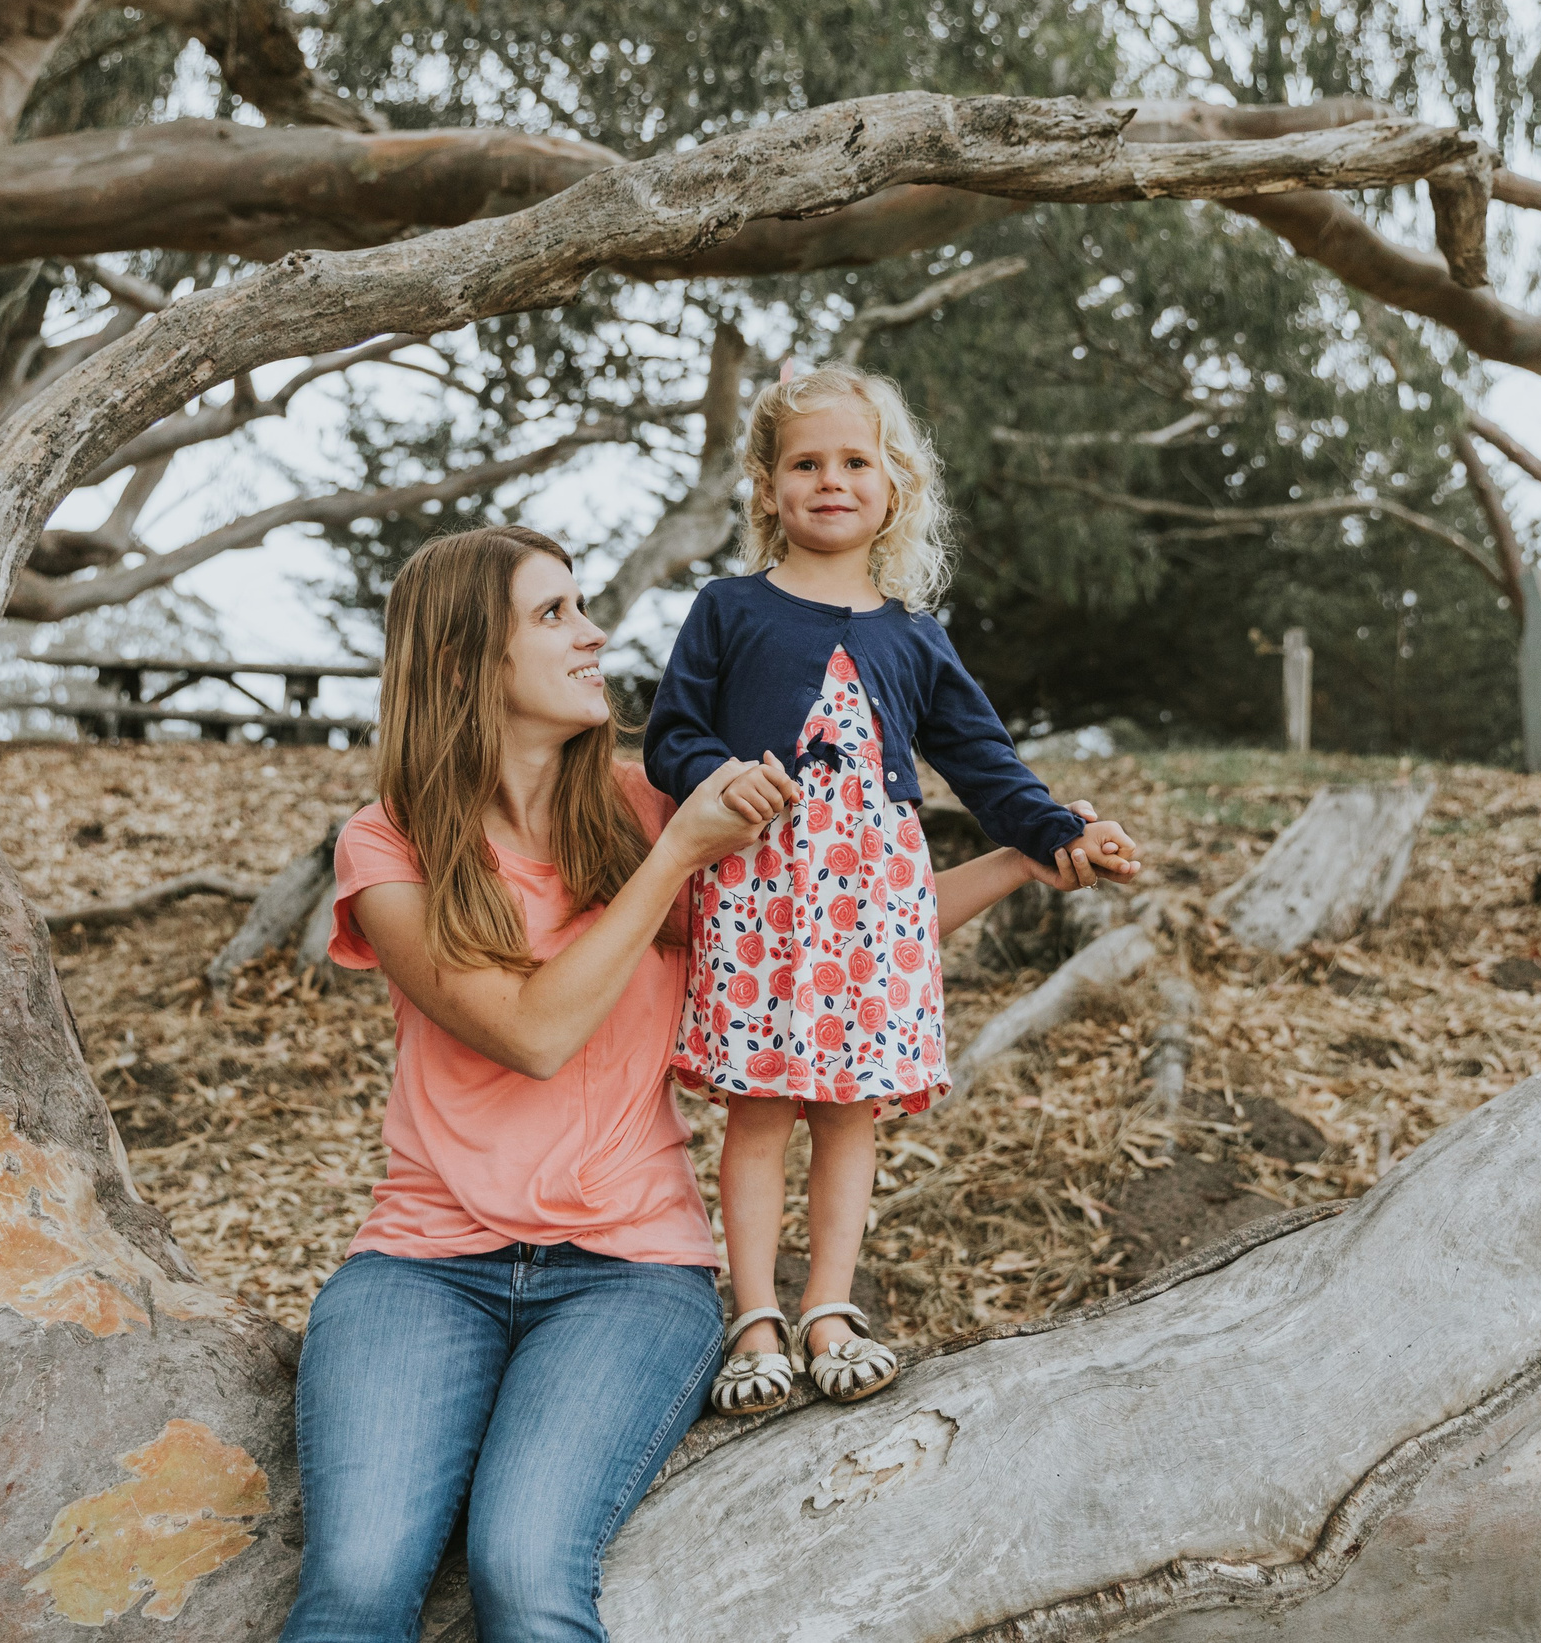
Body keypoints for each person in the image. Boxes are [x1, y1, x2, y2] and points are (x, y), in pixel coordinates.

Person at [283, 524, 1114, 1642]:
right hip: (421, 1266)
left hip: (629, 1277)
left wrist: (1023, 854)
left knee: (525, 1576)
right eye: (554, 616)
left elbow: (843, 929)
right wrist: (677, 855)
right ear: (458, 664)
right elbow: (532, 1033)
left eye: (582, 607)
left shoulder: (643, 805)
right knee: (358, 1583)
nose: (593, 635)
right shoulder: (389, 846)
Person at [644, 364, 1140, 1416]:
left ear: (895, 485)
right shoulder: (729, 610)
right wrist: (718, 776)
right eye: (805, 463)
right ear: (768, 489)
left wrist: (1062, 832)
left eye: (854, 461)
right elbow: (670, 737)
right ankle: (754, 1317)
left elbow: (985, 763)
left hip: (867, 910)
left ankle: (828, 1306)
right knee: (760, 1112)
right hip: (762, 896)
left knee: (849, 1114)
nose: (831, 480)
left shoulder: (914, 636)